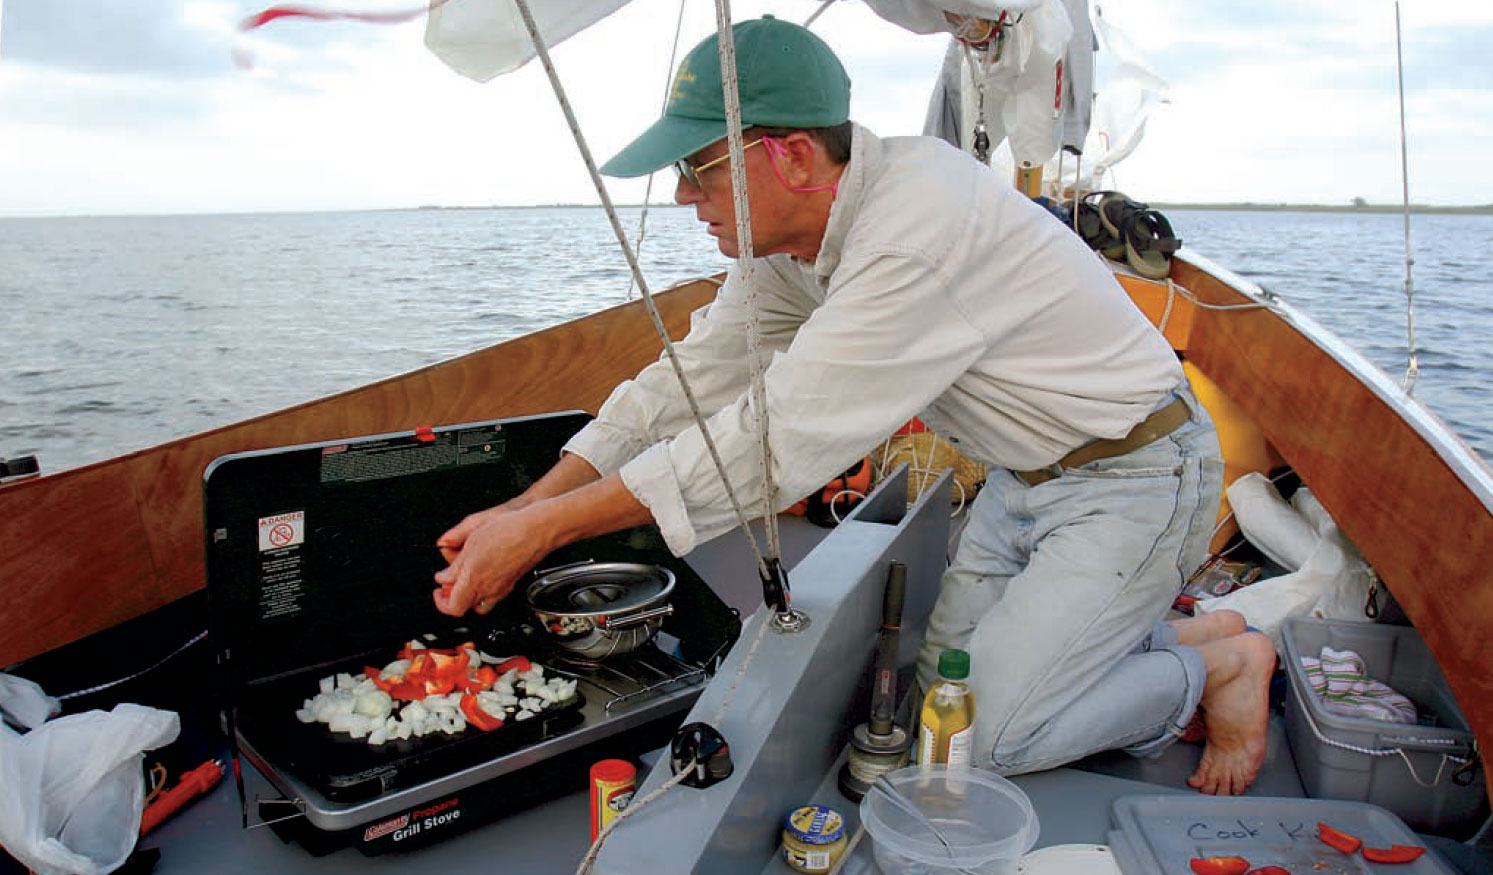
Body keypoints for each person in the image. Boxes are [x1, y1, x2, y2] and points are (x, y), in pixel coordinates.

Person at [432, 16, 1276, 795]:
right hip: (1021, 481)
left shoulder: (913, 230)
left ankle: (1220, 667)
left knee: (981, 738)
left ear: (791, 158)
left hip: (1133, 479)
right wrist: (525, 503)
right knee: (930, 703)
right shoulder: (790, 248)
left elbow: (771, 443)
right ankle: (1178, 638)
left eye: (698, 169)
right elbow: (685, 382)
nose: (685, 197)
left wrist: (543, 535)